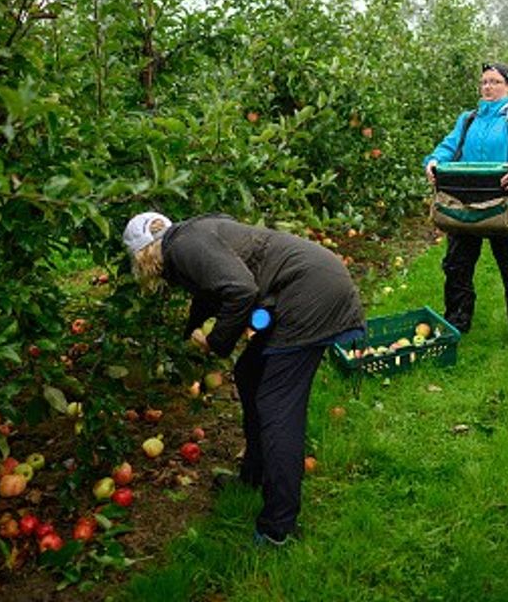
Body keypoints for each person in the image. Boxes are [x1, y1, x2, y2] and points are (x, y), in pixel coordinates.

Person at [122, 211, 366, 546]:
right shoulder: (190, 236)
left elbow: (239, 289)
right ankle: (253, 476)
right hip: (307, 285)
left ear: (143, 254)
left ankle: (278, 527)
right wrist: (191, 332)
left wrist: (216, 341)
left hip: (308, 295)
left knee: (277, 406)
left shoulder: (181, 247)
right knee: (249, 372)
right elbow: (212, 289)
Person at [423, 62, 508, 344]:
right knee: (456, 268)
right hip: (465, 207)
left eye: (494, 81)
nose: (488, 87)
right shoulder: (468, 119)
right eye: (484, 82)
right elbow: (448, 146)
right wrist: (433, 161)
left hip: (506, 207)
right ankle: (457, 323)